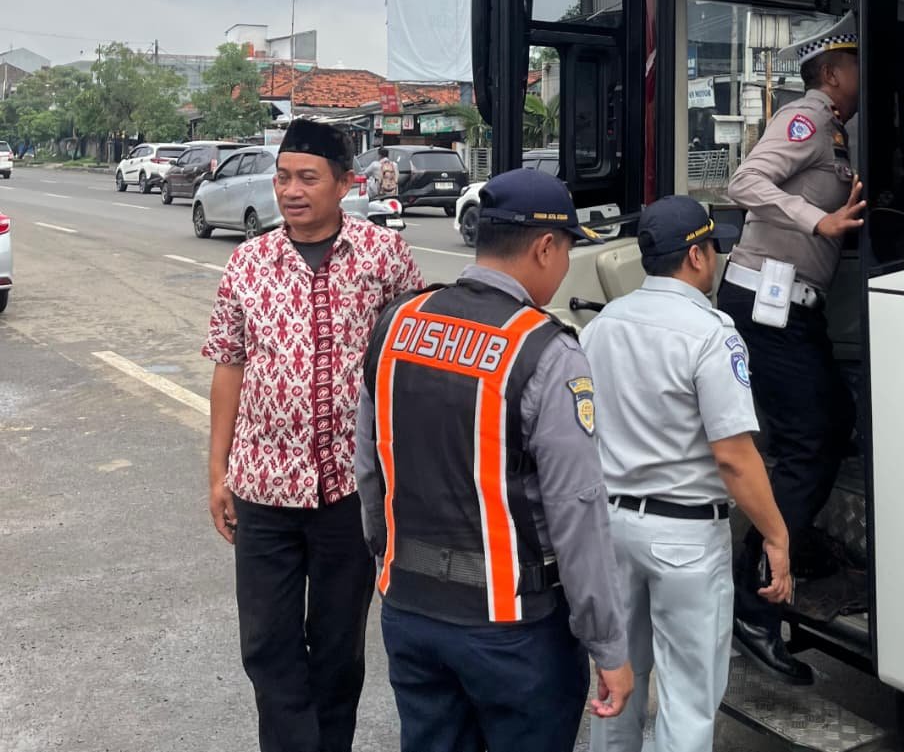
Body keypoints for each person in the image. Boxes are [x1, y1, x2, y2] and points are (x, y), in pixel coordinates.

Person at [355, 167, 634, 752]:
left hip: (409, 612)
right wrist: (607, 645)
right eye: (565, 254)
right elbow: (577, 511)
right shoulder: (545, 351)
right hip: (513, 632)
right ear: (544, 247)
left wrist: (389, 561)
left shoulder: (397, 324)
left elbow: (369, 472)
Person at [202, 118, 424, 752]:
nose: (290, 191)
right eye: (282, 177)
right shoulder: (249, 261)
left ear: (344, 183)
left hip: (348, 494)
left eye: (307, 178)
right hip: (263, 488)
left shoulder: (384, 256)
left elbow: (406, 360)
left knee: (336, 649)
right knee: (267, 646)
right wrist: (217, 472)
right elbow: (229, 364)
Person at [582, 195, 793, 752]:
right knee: (689, 698)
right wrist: (776, 534)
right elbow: (733, 455)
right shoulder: (712, 332)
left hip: (610, 526)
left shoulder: (603, 324)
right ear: (697, 256)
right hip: (684, 538)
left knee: (616, 681)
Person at [718, 11, 868, 685]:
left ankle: (791, 539)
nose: (863, 75)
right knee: (810, 435)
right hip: (766, 301)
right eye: (856, 64)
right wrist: (821, 219)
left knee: (830, 418)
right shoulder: (806, 117)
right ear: (831, 73)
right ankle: (754, 599)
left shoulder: (836, 133)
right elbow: (745, 182)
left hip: (793, 306)